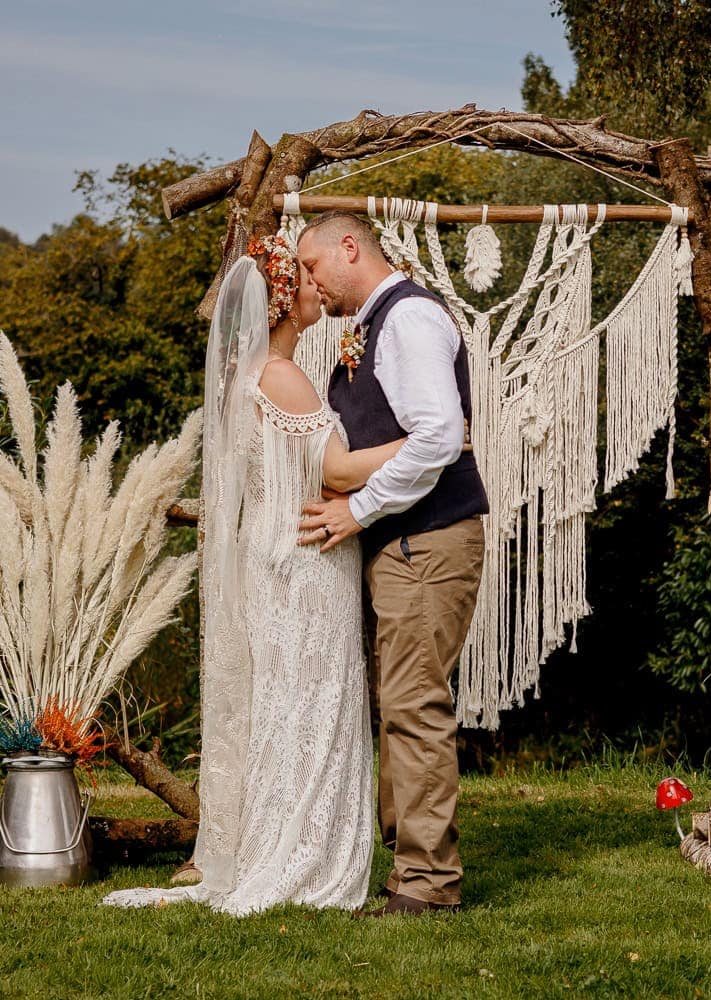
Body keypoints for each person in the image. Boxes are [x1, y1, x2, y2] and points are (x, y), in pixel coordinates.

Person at [102, 235, 400, 915]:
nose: (315, 287)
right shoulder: (280, 376)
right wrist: (433, 441)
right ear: (283, 302)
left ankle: (280, 844)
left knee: (288, 706)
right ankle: (305, 858)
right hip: (305, 561)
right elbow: (338, 471)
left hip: (278, 561)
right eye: (301, 278)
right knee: (313, 706)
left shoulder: (252, 377)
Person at [296, 211, 488, 917]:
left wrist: (357, 508)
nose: (311, 283)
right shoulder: (376, 324)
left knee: (414, 708)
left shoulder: (408, 320)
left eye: (314, 266)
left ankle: (427, 885)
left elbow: (439, 436)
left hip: (427, 541)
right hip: (407, 544)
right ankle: (407, 864)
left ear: (351, 247)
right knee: (400, 705)